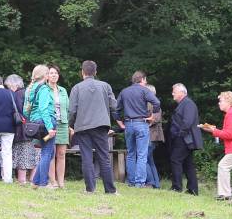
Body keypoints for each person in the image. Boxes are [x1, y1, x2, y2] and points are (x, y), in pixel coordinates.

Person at [69, 60, 118, 194]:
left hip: (83, 127)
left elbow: (72, 110)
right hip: (101, 125)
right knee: (104, 157)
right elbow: (114, 106)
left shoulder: (76, 88)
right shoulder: (105, 86)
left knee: (86, 158)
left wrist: (70, 125)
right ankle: (110, 190)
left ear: (82, 72)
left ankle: (90, 189)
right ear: (95, 72)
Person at [116, 71, 161, 188]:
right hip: (141, 123)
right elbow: (157, 102)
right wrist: (153, 116)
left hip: (128, 124)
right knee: (142, 154)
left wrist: (120, 123)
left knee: (131, 154)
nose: (146, 82)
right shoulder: (144, 90)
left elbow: (116, 110)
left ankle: (131, 181)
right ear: (142, 79)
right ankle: (139, 182)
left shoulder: (124, 91)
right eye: (145, 80)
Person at [25, 64, 58, 189]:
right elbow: (44, 109)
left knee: (49, 152)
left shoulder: (30, 89)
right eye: (48, 73)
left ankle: (35, 181)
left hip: (36, 125)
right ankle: (43, 183)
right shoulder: (43, 89)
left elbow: (25, 111)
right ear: (45, 76)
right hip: (46, 124)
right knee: (47, 152)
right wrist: (50, 128)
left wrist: (34, 118)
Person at [167, 83, 202, 195]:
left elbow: (187, 122)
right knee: (188, 163)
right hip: (185, 138)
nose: (172, 93)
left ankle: (177, 187)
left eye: (174, 91)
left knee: (175, 159)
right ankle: (193, 189)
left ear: (182, 92)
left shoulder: (188, 104)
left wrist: (179, 134)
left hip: (185, 138)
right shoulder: (184, 103)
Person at [12, 71, 43, 184]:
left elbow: (21, 112)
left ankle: (22, 180)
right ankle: (33, 179)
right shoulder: (30, 92)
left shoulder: (18, 94)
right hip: (35, 128)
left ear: (14, 85)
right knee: (35, 154)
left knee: (23, 154)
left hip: (23, 130)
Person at [48, 66, 70, 189]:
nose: (54, 75)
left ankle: (61, 182)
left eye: (56, 73)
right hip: (49, 124)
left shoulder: (63, 90)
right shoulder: (44, 89)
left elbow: (67, 109)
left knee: (61, 153)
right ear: (47, 76)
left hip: (62, 124)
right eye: (51, 73)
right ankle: (52, 181)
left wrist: (68, 125)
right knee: (51, 152)